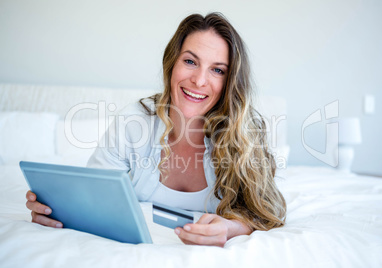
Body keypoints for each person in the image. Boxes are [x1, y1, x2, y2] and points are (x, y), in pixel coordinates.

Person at [25, 12, 286, 247]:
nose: (199, 80)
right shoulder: (133, 121)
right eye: (191, 62)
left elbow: (265, 211)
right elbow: (94, 196)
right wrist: (56, 210)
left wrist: (231, 228)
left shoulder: (244, 130)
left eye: (217, 70)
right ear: (172, 62)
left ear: (230, 82)